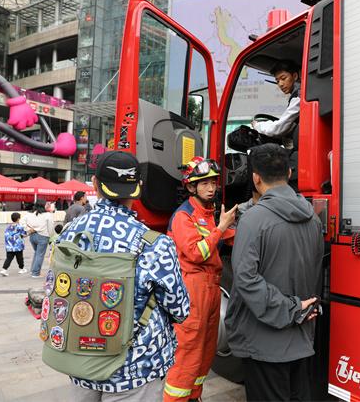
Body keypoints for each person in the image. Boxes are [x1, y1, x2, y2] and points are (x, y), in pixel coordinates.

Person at [59, 151, 190, 400]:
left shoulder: (69, 232)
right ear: (138, 187)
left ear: (95, 184)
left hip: (80, 358)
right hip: (134, 368)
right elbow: (180, 310)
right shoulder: (154, 243)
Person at [225, 144, 324, 401]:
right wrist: (299, 310)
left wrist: (290, 309)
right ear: (289, 173)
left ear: (256, 178)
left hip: (263, 343)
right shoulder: (313, 219)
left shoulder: (253, 220)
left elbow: (245, 279)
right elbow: (315, 271)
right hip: (302, 338)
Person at [164, 156, 238, 401]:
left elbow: (224, 236)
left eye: (213, 182)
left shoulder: (208, 213)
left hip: (211, 286)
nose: (211, 188)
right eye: (204, 183)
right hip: (192, 288)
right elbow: (196, 253)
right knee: (189, 350)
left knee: (206, 349)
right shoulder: (183, 216)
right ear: (191, 187)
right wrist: (222, 227)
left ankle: (194, 396)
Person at [251, 60, 300, 146]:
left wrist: (257, 125)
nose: (280, 84)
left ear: (295, 76)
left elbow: (278, 129)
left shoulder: (299, 97)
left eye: (283, 78)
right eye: (277, 81)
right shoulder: (298, 95)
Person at [22, 200, 54, 278]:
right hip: (43, 236)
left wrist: (28, 229)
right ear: (43, 205)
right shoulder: (47, 215)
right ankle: (35, 273)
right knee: (39, 254)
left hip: (32, 236)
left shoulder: (29, 214)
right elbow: (51, 227)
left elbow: (21, 222)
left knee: (37, 253)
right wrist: (51, 236)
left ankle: (33, 270)